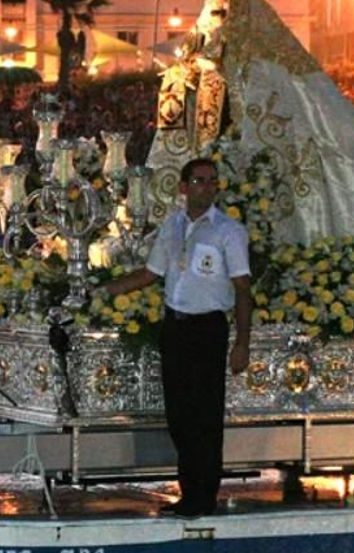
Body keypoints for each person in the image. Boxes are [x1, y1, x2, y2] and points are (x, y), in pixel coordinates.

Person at [102, 156, 252, 516]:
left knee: (205, 416)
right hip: (176, 326)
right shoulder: (172, 225)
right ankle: (189, 491)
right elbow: (151, 273)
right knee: (179, 415)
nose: (207, 186)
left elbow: (243, 289)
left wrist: (242, 342)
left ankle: (204, 496)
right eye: (199, 180)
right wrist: (104, 290)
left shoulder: (228, 232)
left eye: (212, 181)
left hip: (208, 328)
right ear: (183, 187)